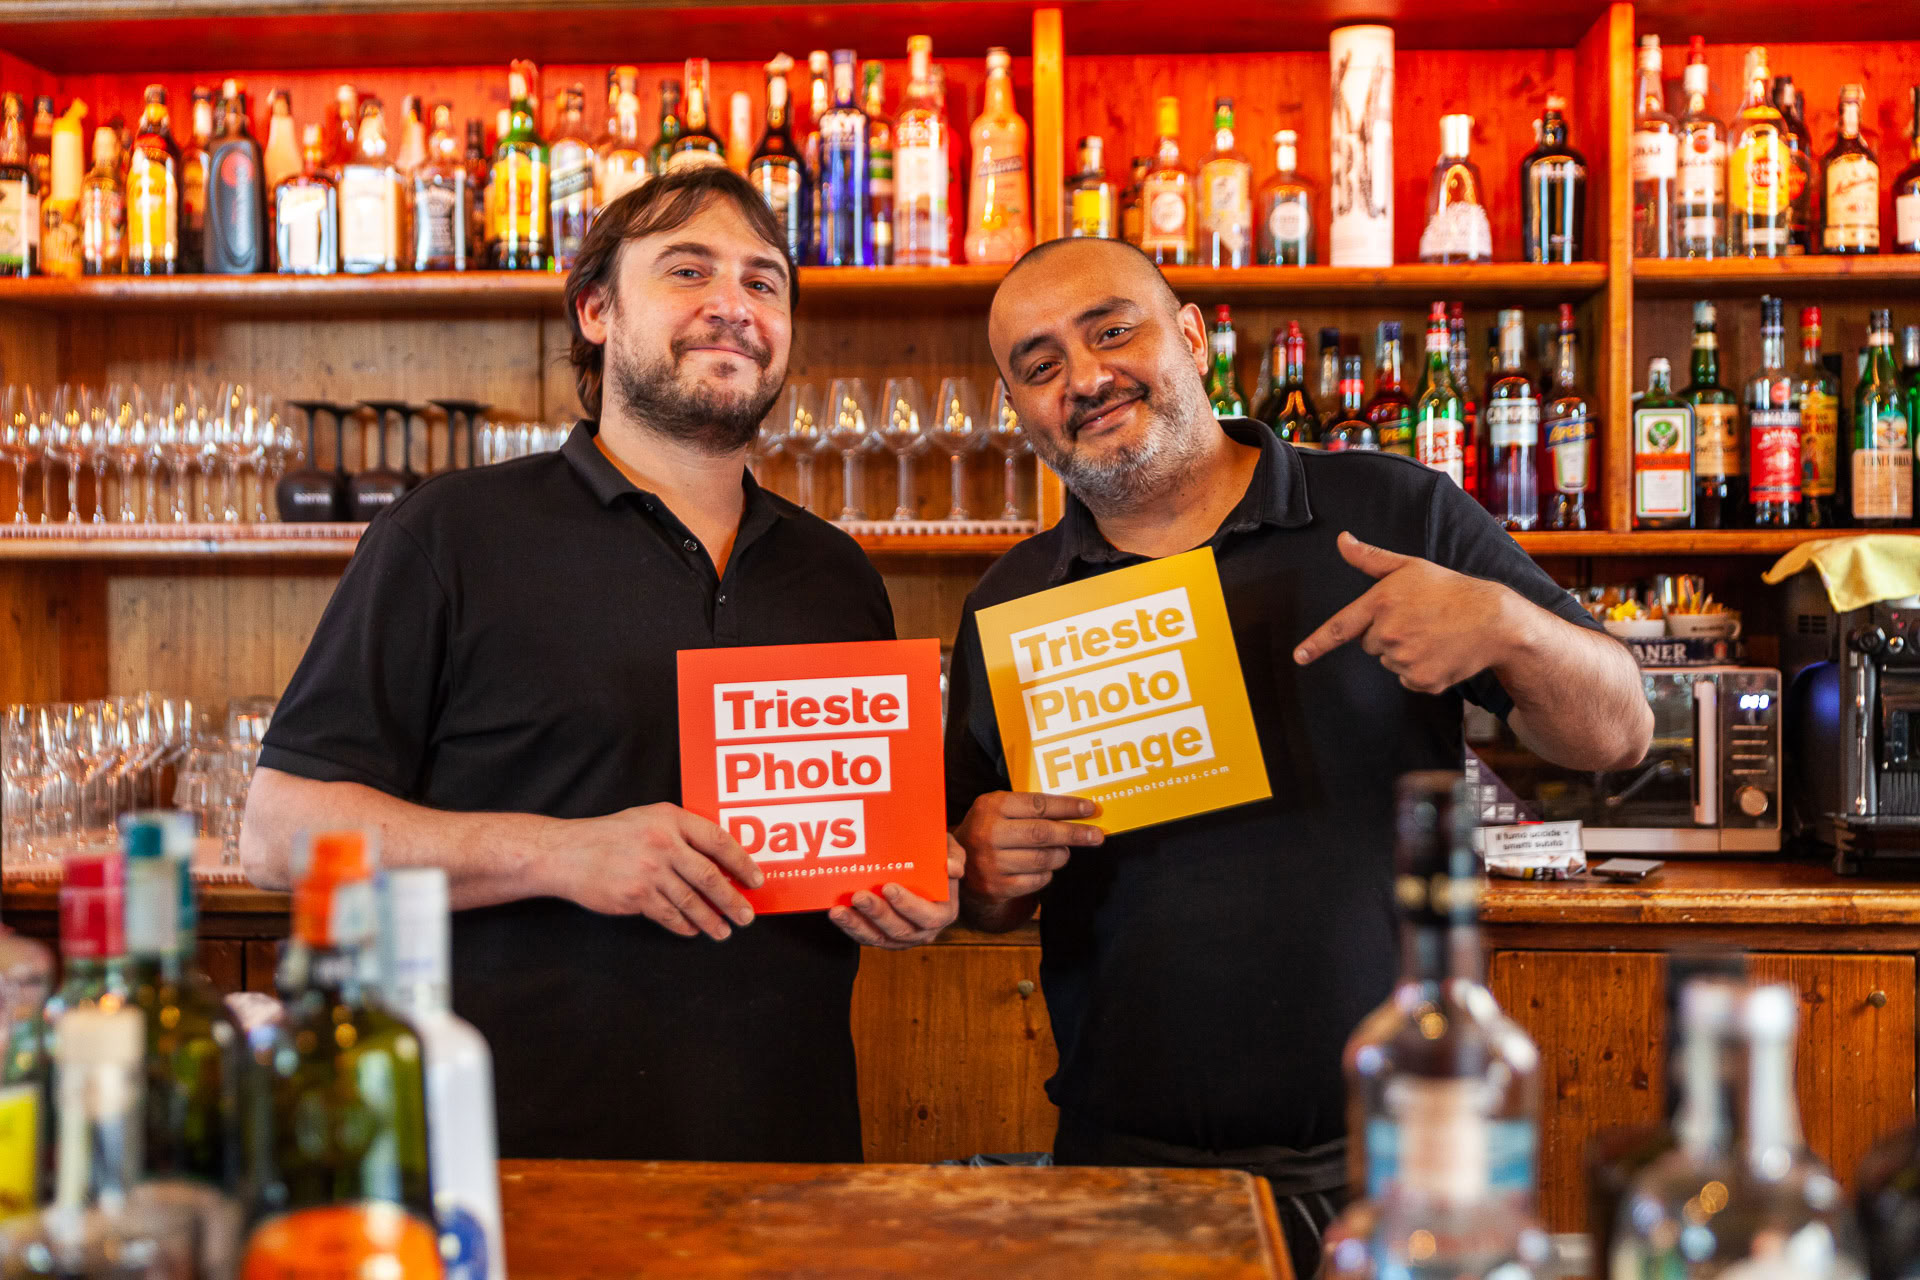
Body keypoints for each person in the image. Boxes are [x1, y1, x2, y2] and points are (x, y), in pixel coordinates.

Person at [946, 237, 1651, 1277]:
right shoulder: (1009, 604)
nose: (1085, 378)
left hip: (1392, 1162)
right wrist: (985, 870)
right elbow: (978, 885)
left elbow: (1619, 733)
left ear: (1192, 337)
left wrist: (1510, 626)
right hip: (1120, 1168)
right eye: (1040, 365)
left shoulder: (1395, 510)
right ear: (1018, 406)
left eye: (1112, 330)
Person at [240, 166, 961, 1163]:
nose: (733, 304)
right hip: (514, 1164)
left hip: (790, 1160)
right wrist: (563, 854)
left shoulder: (836, 574)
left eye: (763, 282)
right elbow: (278, 833)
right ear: (596, 311)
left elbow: (865, 846)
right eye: (688, 270)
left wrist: (912, 890)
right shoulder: (452, 534)